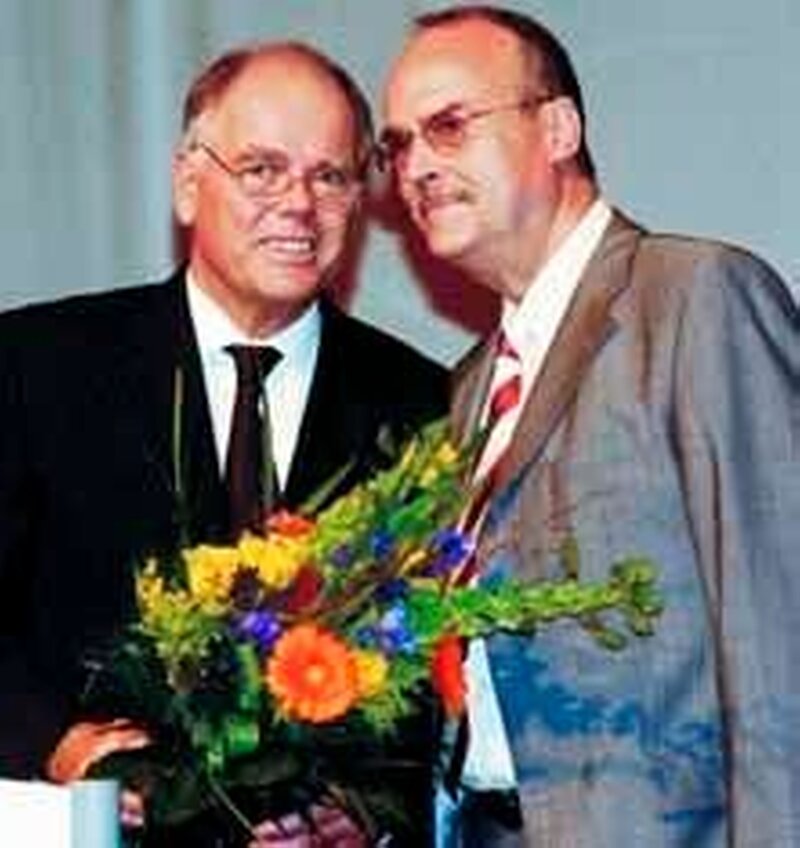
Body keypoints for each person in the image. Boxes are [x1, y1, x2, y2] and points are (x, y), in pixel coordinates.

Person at [0, 40, 446, 845]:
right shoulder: (37, 367)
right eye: (262, 169)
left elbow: (440, 674)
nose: (298, 204)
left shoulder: (421, 407)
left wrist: (368, 813)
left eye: (330, 176)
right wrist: (56, 746)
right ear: (186, 183)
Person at [381, 6, 800, 847]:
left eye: (450, 126)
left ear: (558, 129)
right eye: (396, 146)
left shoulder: (694, 299)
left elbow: (778, 642)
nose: (416, 166)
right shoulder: (466, 390)